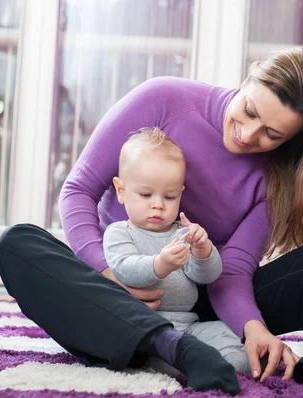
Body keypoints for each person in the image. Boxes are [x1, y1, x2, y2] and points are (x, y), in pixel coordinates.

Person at [0, 47, 303, 397]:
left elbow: (234, 272)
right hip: (108, 293)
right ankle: (173, 349)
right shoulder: (163, 98)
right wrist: (109, 275)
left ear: (291, 140)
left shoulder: (276, 177)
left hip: (200, 300)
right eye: (249, 111)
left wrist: (253, 328)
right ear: (249, 76)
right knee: (17, 243)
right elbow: (78, 191)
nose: (248, 135)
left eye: (272, 135)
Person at [103, 127, 250, 377]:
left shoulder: (182, 232)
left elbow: (207, 277)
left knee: (230, 340)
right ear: (121, 190)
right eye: (146, 194)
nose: (158, 204)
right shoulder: (119, 233)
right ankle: (184, 364)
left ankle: (221, 366)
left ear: (180, 194)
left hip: (189, 324)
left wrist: (203, 251)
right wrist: (161, 264)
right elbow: (126, 269)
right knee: (165, 355)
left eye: (169, 197)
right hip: (149, 329)